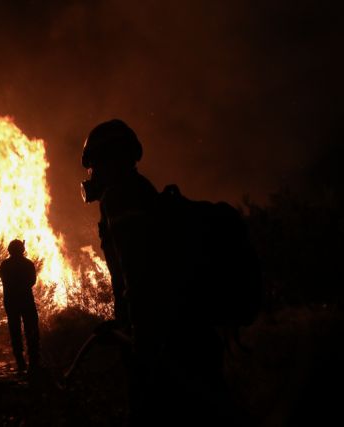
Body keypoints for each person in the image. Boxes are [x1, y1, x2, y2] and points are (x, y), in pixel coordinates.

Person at [81, 119, 232, 425]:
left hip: (170, 343)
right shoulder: (142, 191)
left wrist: (143, 346)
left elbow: (140, 276)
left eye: (93, 165)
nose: (91, 175)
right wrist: (121, 322)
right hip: (188, 333)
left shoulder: (120, 197)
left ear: (109, 160)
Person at [0, 239, 40, 372]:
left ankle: (20, 362)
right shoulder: (28, 264)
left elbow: (4, 280)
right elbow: (32, 281)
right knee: (31, 329)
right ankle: (33, 361)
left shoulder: (4, 265)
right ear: (22, 250)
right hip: (26, 300)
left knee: (15, 331)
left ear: (9, 250)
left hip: (11, 301)